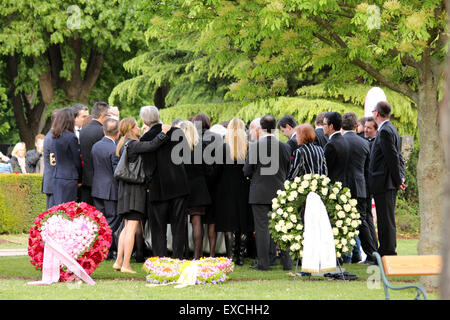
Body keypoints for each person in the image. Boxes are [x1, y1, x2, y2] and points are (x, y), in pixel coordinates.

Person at [113, 117, 171, 273]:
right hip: (134, 190)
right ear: (131, 129)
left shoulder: (124, 143)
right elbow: (152, 146)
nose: (139, 128)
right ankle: (126, 264)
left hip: (125, 190)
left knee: (126, 228)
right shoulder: (134, 145)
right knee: (131, 228)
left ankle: (118, 261)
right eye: (136, 126)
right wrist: (163, 132)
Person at [140, 106, 190, 260]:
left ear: (144, 121)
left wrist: (148, 185)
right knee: (178, 225)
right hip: (178, 184)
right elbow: (187, 156)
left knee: (158, 227)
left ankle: (161, 260)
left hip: (157, 186)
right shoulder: (176, 132)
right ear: (159, 115)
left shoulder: (146, 139)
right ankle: (179, 258)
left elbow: (147, 167)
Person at [243, 115, 292, 271]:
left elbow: (246, 170)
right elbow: (287, 168)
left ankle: (263, 263)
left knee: (263, 228)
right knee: (282, 227)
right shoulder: (285, 146)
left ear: (262, 128)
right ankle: (287, 263)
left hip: (259, 192)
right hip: (279, 191)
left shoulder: (255, 147)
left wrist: (253, 175)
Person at [369, 101, 405, 257]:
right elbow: (398, 157)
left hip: (384, 182)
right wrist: (401, 177)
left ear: (377, 113)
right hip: (387, 182)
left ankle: (388, 252)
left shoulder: (385, 131)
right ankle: (385, 249)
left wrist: (398, 180)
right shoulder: (391, 129)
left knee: (385, 220)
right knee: (385, 219)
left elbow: (392, 158)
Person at [214, 118, 252, 266]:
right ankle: (241, 257)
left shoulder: (223, 148)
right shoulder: (249, 147)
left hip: (226, 188)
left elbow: (216, 170)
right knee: (243, 220)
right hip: (244, 187)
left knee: (228, 221)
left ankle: (230, 255)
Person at [341, 112, 378, 264]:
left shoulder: (339, 141)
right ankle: (372, 253)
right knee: (362, 221)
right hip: (361, 185)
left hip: (343, 187)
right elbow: (368, 168)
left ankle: (346, 255)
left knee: (343, 222)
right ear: (356, 126)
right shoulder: (364, 143)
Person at [179, 120, 212, 260]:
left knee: (182, 221)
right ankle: (197, 255)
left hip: (181, 187)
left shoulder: (177, 148)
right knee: (197, 220)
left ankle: (183, 253)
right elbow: (209, 169)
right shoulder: (202, 147)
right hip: (198, 186)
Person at [190, 113, 223, 258]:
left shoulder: (191, 138)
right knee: (211, 221)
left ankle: (194, 254)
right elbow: (218, 163)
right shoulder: (216, 138)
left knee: (196, 219)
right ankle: (211, 253)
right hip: (212, 185)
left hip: (195, 185)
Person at [91, 118, 121, 260]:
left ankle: (105, 250)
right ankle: (104, 247)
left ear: (104, 130)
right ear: (117, 133)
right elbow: (116, 172)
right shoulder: (114, 148)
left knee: (101, 220)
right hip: (110, 189)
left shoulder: (95, 146)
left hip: (97, 187)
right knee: (113, 218)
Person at [79, 101, 110, 205]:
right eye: (108, 116)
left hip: (85, 179)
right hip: (101, 181)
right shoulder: (102, 131)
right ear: (103, 115)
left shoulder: (82, 131)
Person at [51, 108, 82, 205]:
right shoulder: (71, 137)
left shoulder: (55, 136)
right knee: (69, 209)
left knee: (59, 209)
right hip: (69, 178)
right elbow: (77, 161)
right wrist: (81, 178)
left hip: (57, 176)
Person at [323, 112, 349, 185]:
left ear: (331, 126)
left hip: (333, 186)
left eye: (324, 124)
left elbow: (326, 168)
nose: (323, 127)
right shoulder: (344, 140)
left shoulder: (331, 145)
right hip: (343, 184)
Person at [42, 109, 60, 209]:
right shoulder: (52, 138)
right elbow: (54, 162)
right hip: (53, 182)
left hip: (52, 181)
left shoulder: (51, 136)